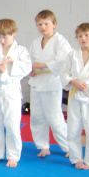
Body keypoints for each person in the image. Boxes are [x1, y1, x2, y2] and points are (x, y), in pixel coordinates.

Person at [0, 19, 32, 168]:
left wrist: (13, 63)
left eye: (5, 37)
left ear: (14, 33)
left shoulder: (21, 50)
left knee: (12, 125)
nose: (2, 40)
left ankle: (13, 156)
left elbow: (27, 67)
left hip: (11, 90)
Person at [28, 10, 72, 157]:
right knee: (37, 117)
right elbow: (30, 61)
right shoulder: (35, 42)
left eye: (46, 24)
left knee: (54, 117)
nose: (43, 27)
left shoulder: (60, 41)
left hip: (52, 83)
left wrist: (41, 65)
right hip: (36, 83)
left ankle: (69, 147)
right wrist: (31, 70)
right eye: (39, 24)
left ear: (54, 24)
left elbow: (63, 61)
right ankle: (43, 146)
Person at [62, 23, 89, 170]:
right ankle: (76, 158)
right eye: (79, 36)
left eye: (86, 35)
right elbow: (64, 73)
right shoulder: (72, 54)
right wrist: (73, 81)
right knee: (73, 129)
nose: (83, 38)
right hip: (75, 95)